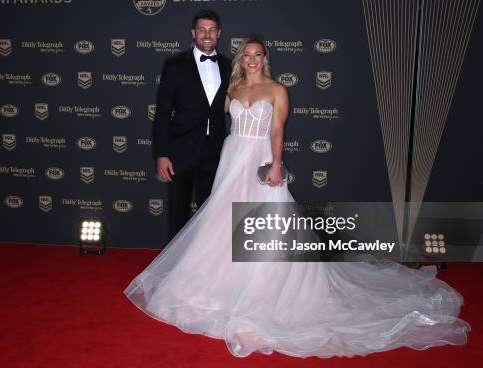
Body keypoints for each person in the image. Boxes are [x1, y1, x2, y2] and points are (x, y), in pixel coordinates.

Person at [126, 36, 469, 358]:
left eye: (257, 55)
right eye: (246, 55)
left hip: (260, 159)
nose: (251, 60)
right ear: (241, 60)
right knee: (220, 218)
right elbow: (207, 120)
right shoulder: (233, 88)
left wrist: (277, 163)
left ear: (265, 59)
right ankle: (216, 282)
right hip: (232, 159)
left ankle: (265, 286)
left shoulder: (278, 89)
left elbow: (277, 130)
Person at [153, 9, 232, 240]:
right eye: (201, 30)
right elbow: (162, 113)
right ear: (193, 33)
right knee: (179, 213)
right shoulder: (175, 65)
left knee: (211, 214)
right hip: (180, 151)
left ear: (219, 34)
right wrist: (161, 154)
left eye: (211, 30)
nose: (206, 35)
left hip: (215, 152)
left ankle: (205, 267)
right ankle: (175, 269)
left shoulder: (230, 66)